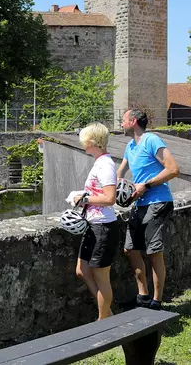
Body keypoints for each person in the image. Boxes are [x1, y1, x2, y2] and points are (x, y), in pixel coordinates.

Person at [118, 108, 180, 310]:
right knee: (130, 249)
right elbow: (120, 173)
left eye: (123, 120)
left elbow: (172, 169)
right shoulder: (130, 146)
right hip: (140, 204)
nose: (121, 123)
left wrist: (146, 185)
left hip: (158, 201)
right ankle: (142, 296)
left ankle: (156, 301)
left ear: (133, 121)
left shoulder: (151, 140)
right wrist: (117, 187)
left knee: (154, 253)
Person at [72, 122, 120, 320]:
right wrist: (83, 197)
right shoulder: (99, 163)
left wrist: (84, 199)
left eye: (85, 140)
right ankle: (108, 315)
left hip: (103, 226)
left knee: (102, 279)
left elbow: (110, 198)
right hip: (94, 224)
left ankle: (104, 324)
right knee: (82, 270)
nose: (83, 144)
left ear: (92, 141)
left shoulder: (105, 165)